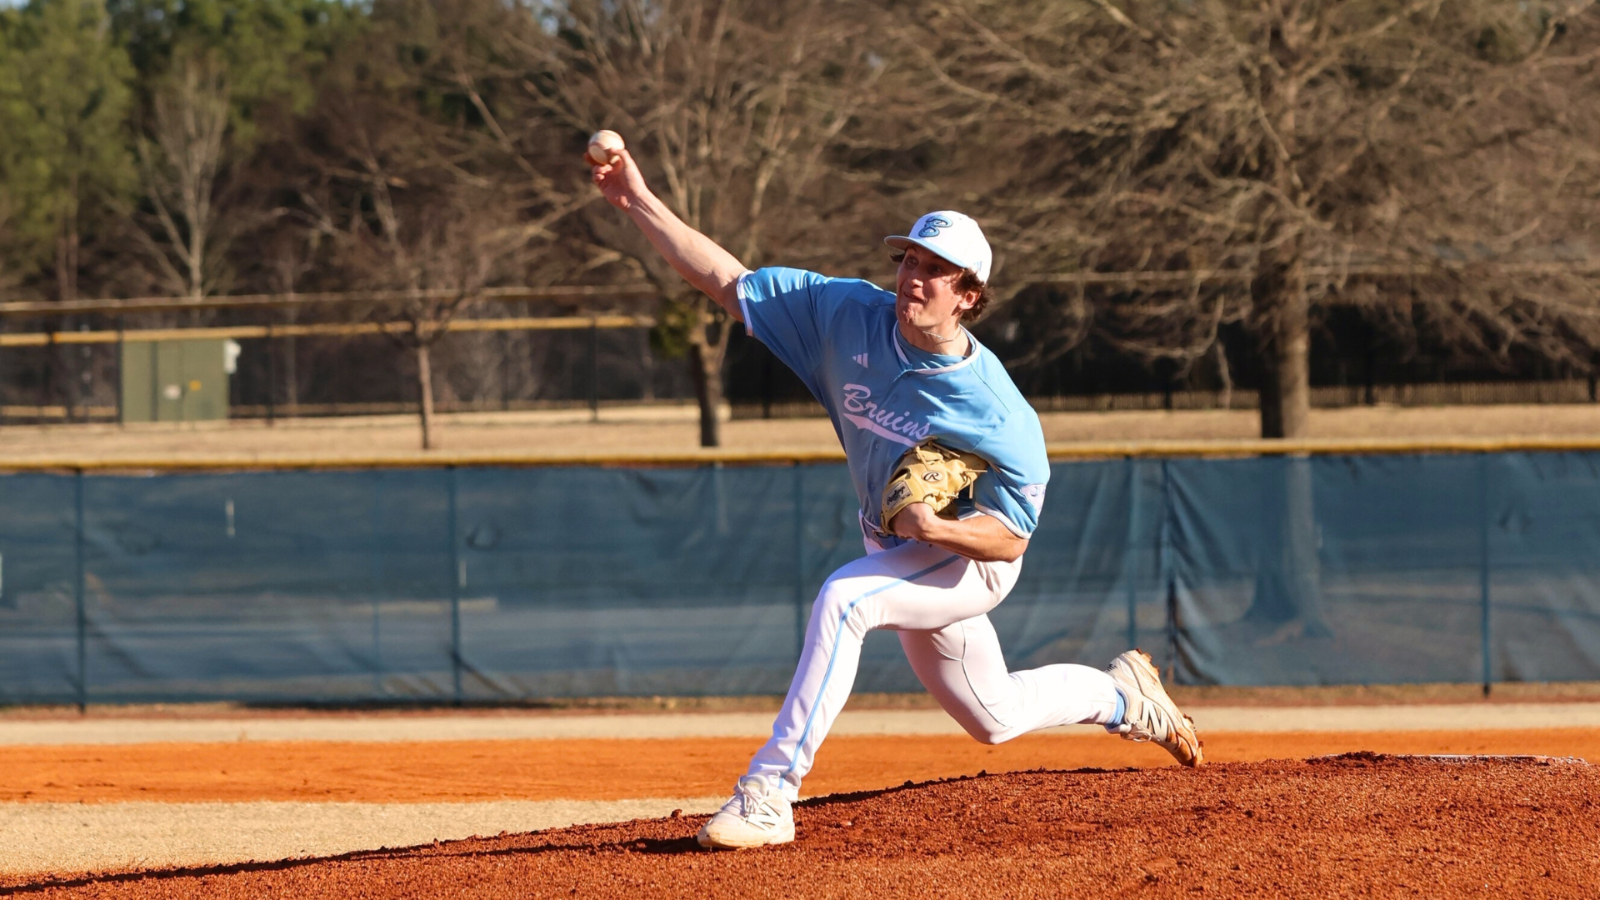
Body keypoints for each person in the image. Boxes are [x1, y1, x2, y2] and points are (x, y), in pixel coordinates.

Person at [590, 145, 1203, 851]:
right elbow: (727, 279)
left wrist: (938, 529)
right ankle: (1125, 697)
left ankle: (770, 793)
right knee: (992, 716)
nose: (914, 276)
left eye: (935, 269)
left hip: (970, 558)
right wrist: (636, 199)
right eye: (909, 259)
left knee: (845, 602)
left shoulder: (998, 410)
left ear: (969, 295)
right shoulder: (846, 314)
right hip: (896, 545)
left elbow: (1012, 538)